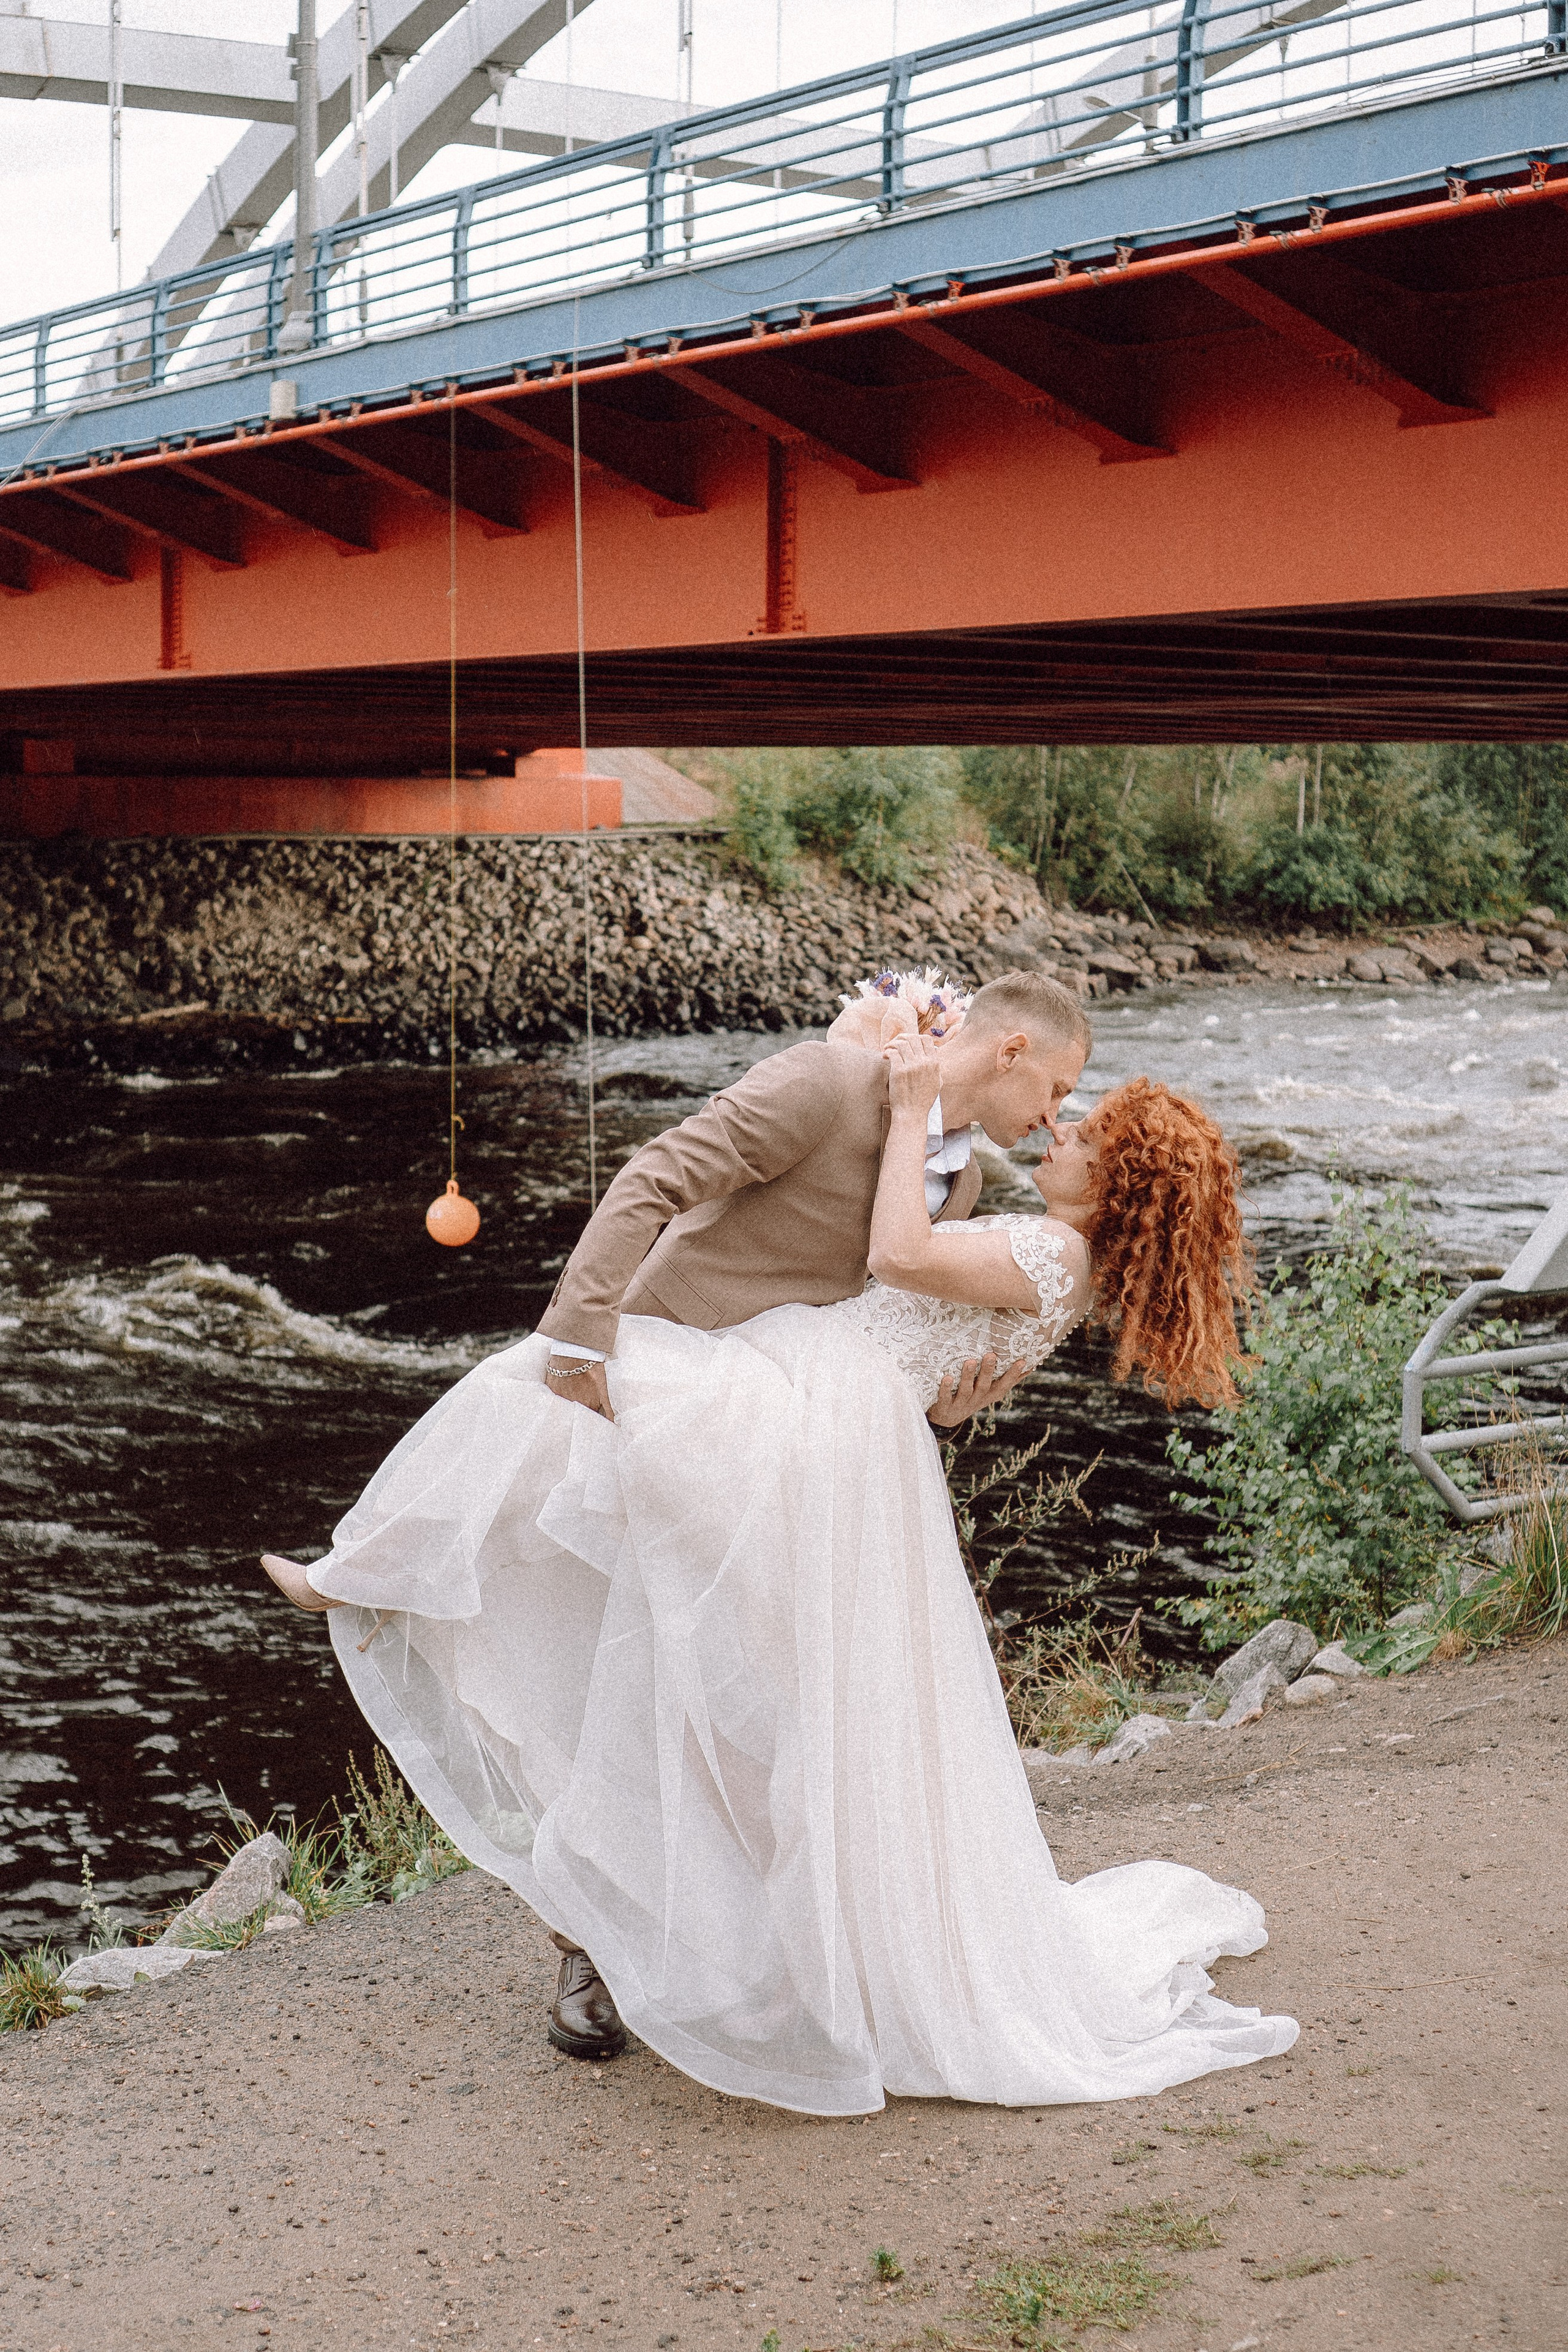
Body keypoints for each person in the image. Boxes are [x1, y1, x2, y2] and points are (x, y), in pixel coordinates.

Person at [262, 971, 1296, 2113]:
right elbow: (696, 1201)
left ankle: (722, 1945)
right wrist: (588, 1336)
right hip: (784, 1402)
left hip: (809, 1430)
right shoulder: (849, 1095)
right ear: (1006, 1051)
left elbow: (903, 1273)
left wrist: (913, 1153)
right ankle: (391, 1586)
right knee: (643, 1573)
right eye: (1057, 1093)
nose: (1058, 1120)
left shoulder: (1006, 1219)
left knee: (743, 1701)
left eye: (1080, 1118)